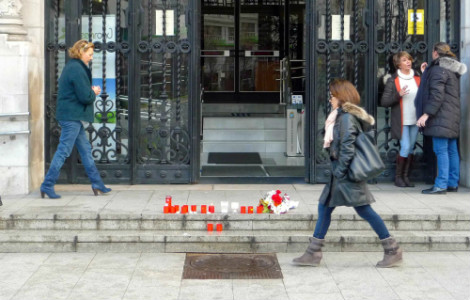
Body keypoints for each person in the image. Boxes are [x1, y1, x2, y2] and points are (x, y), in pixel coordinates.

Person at [292, 79, 402, 268]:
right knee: (324, 208)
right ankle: (313, 252)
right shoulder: (340, 116)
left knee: (364, 210)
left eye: (332, 95)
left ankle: (392, 249)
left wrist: (340, 171)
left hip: (345, 173)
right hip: (341, 173)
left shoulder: (345, 118)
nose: (330, 99)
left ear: (341, 97)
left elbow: (347, 148)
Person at [40, 39, 112, 198]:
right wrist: (94, 92)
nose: (91, 57)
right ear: (81, 52)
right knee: (64, 151)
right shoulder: (77, 69)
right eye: (90, 54)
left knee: (86, 150)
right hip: (72, 116)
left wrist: (90, 91)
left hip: (73, 116)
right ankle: (47, 184)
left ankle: (97, 183)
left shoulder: (74, 67)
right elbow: (85, 97)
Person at [416, 42, 467, 194]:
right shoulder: (449, 70)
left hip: (441, 116)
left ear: (436, 53)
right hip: (451, 115)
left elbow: (437, 96)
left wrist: (426, 114)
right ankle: (452, 183)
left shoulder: (438, 70)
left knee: (441, 150)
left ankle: (441, 184)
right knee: (451, 150)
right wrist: (426, 73)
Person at [381, 51, 420, 187]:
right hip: (402, 120)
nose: (408, 62)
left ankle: (405, 177)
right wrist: (398, 95)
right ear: (398, 64)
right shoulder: (393, 80)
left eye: (409, 59)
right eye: (404, 60)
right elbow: (384, 102)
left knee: (410, 149)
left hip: (415, 119)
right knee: (405, 147)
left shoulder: (417, 77)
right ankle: (398, 177)